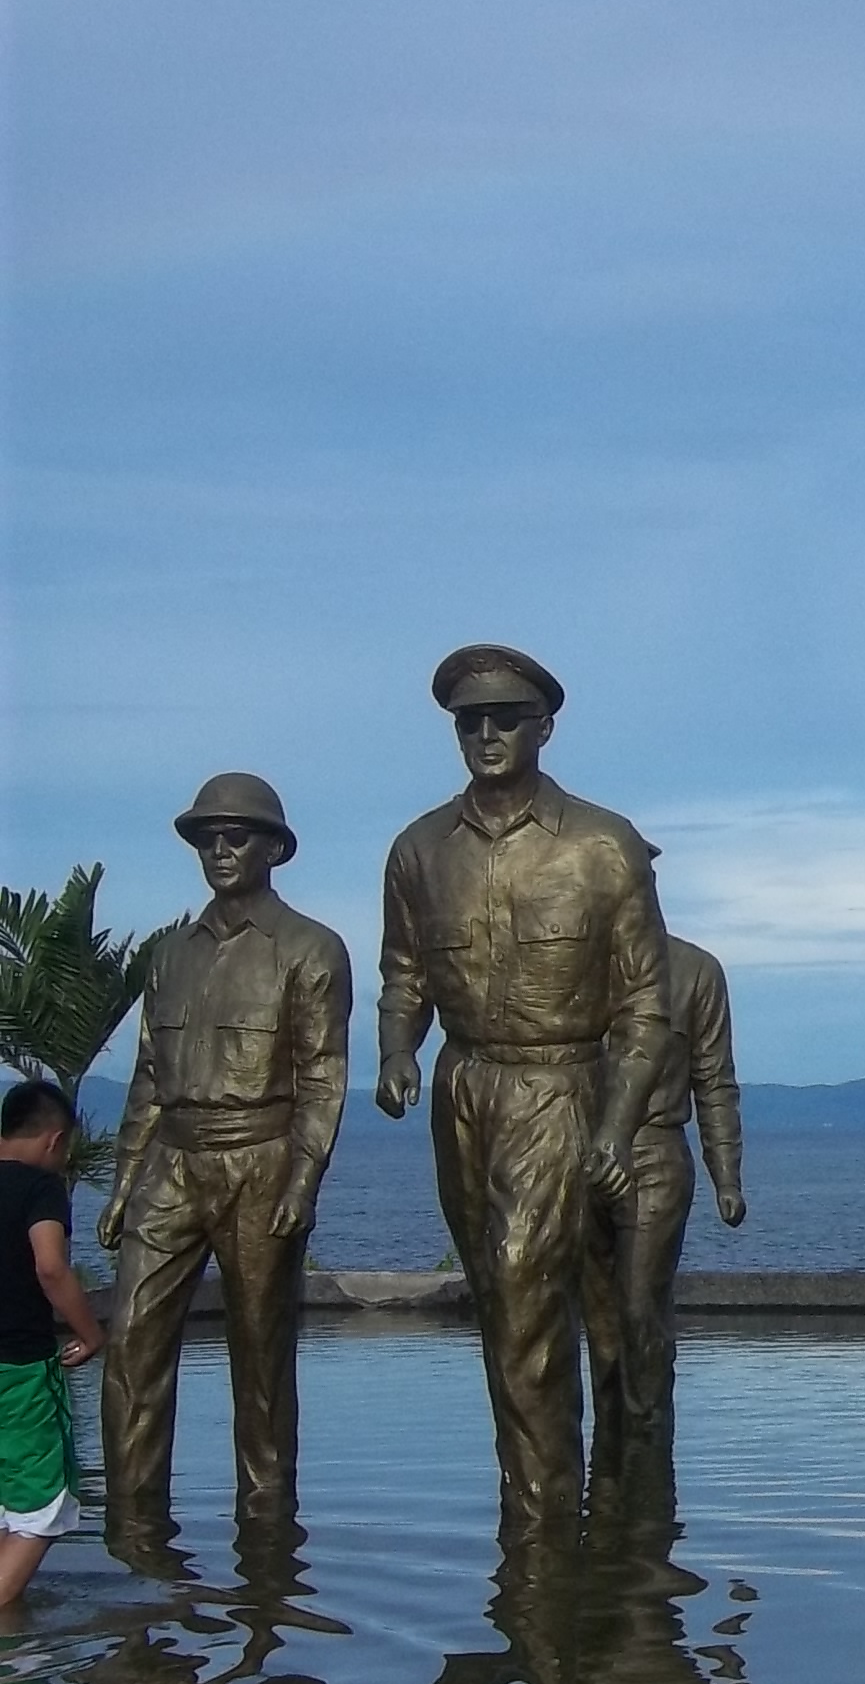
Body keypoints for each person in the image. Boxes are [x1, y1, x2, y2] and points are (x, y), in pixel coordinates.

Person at [376, 644, 672, 1524]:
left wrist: (615, 1126)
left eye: (505, 718)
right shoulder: (418, 850)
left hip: (561, 1086)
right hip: (464, 1093)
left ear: (544, 727)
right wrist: (398, 1049)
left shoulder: (603, 845)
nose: (486, 734)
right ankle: (604, 1492)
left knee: (520, 1304)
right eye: (470, 721)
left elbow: (646, 1008)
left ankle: (541, 1534)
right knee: (512, 1308)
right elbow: (403, 974)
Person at [100, 772, 352, 1516]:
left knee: (261, 1361)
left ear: (273, 847)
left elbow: (322, 1077)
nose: (218, 849)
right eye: (206, 838)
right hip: (170, 1164)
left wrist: (304, 1181)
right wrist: (122, 1185)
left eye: (235, 836)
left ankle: (267, 1534)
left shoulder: (310, 949)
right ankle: (132, 1523)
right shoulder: (171, 953)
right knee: (131, 1343)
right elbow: (148, 1076)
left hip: (261, 1162)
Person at [589, 918, 745, 1449]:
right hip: (574, 1149)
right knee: (599, 1319)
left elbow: (714, 1080)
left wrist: (726, 1173)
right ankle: (611, 1445)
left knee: (639, 1303)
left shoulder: (696, 970)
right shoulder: (568, 960)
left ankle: (647, 1435)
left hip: (655, 1150)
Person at [0, 1082, 106, 1607]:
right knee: (42, 1503)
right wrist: (91, 1334)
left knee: (5, 1501)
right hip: (17, 1367)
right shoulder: (41, 1189)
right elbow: (50, 1265)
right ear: (53, 1141)